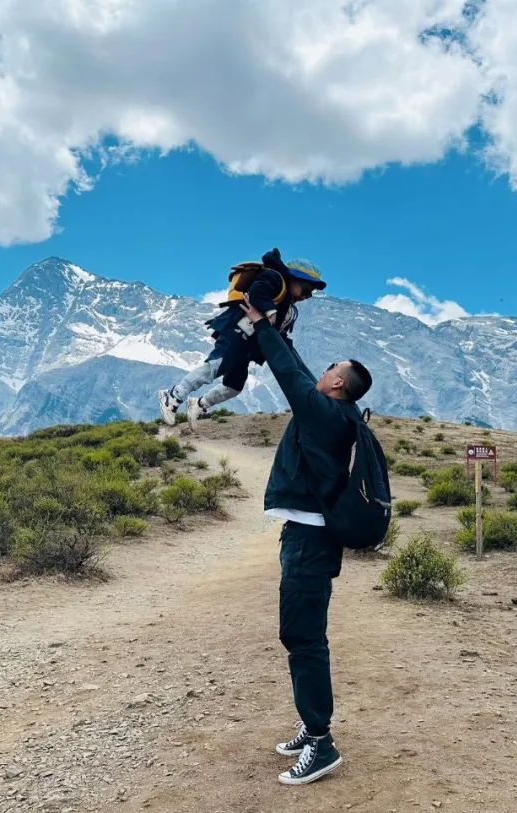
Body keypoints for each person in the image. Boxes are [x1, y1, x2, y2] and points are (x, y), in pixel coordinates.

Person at [238, 292, 373, 786]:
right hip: (309, 537)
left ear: (337, 382)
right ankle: (311, 721)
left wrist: (259, 326)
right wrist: (279, 330)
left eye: (330, 367)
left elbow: (290, 376)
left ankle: (321, 742)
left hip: (311, 544)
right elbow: (298, 368)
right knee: (303, 636)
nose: (322, 369)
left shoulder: (324, 414)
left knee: (303, 639)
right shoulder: (339, 414)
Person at [157, 248, 325, 430]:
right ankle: (173, 395)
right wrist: (270, 311)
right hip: (236, 334)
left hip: (247, 347)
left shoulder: (290, 308)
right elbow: (258, 290)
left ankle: (199, 404)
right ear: (294, 278)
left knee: (234, 386)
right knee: (215, 366)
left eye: (310, 293)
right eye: (306, 289)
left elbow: (278, 332)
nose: (306, 296)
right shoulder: (275, 279)